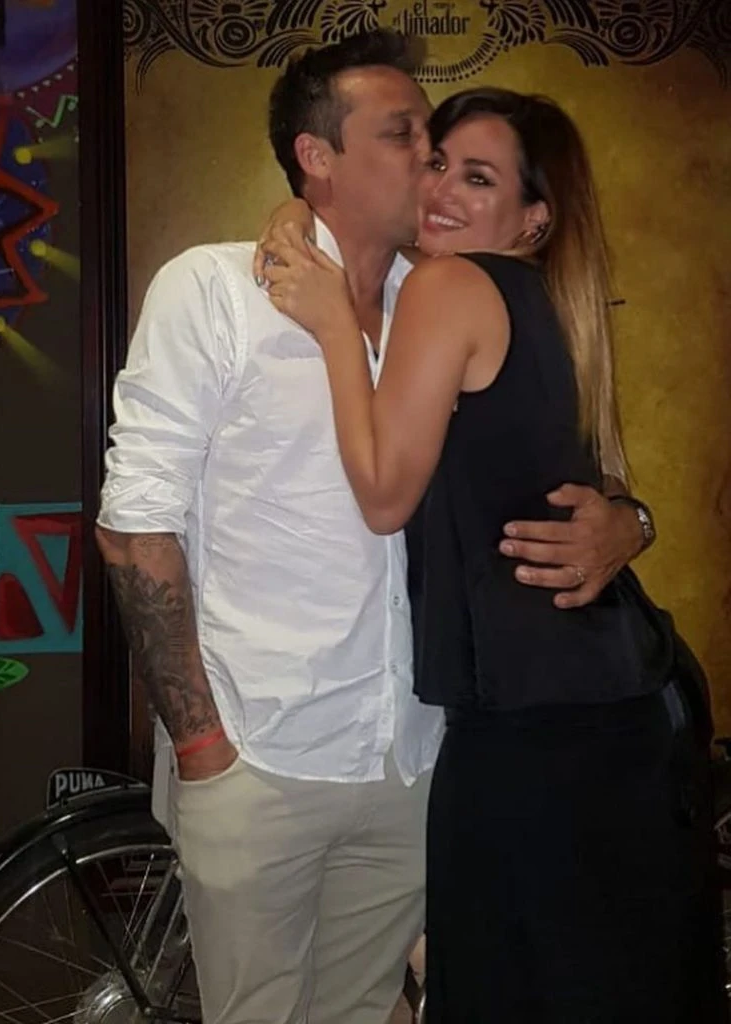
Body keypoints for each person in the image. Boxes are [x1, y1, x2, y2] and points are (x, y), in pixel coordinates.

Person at [96, 30, 652, 1024]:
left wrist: (629, 519)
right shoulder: (216, 290)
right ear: (317, 156)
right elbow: (135, 527)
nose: (429, 160)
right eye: (405, 136)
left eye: (444, 149)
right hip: (262, 751)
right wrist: (202, 745)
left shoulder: (441, 293)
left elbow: (547, 463)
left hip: (413, 751)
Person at [259, 85, 724, 1022]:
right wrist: (295, 216)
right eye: (437, 163)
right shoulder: (547, 301)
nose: (441, 189)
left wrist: (335, 330)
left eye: (478, 178)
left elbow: (384, 494)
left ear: (534, 216)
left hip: (538, 734)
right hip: (620, 710)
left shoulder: (451, 287)